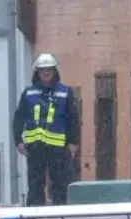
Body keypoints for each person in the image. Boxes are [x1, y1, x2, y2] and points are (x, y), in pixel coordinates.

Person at [11, 53, 79, 206]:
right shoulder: (28, 93)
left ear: (55, 71)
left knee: (60, 185)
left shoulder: (65, 92)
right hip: (35, 148)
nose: (46, 73)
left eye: (49, 70)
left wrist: (73, 142)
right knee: (35, 186)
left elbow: (73, 118)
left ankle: (60, 218)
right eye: (43, 70)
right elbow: (19, 117)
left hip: (58, 148)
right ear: (37, 72)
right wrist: (18, 140)